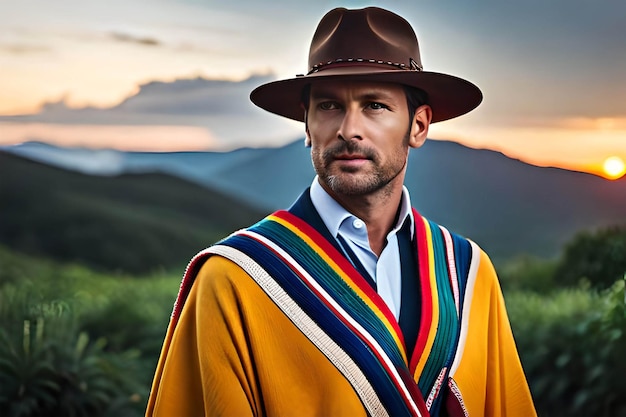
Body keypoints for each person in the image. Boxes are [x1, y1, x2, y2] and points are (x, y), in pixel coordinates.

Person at [146, 6, 536, 417]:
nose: (349, 129)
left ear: (418, 126)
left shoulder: (469, 274)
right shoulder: (234, 280)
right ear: (307, 125)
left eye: (375, 106)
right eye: (329, 106)